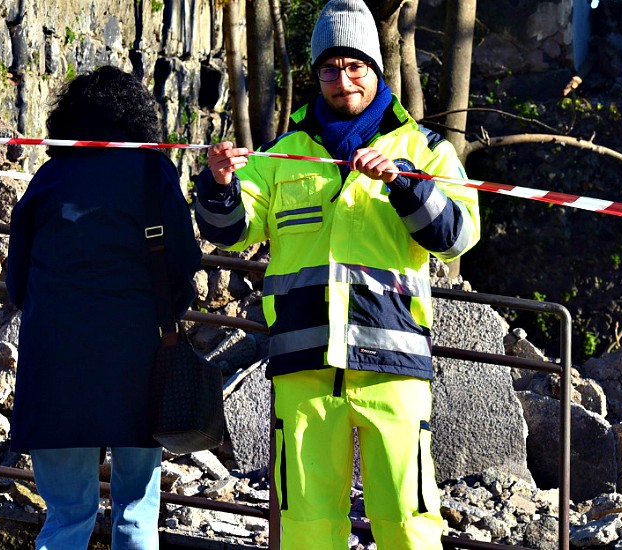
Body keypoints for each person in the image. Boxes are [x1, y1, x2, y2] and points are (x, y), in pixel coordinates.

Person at [195, 0, 483, 546]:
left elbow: (458, 237)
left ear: (375, 68)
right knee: (306, 525)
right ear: (316, 74)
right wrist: (219, 185)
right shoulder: (283, 155)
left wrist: (406, 186)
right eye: (331, 68)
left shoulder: (427, 149)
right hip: (302, 367)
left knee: (407, 520)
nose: (343, 79)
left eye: (355, 66)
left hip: (394, 367)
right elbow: (229, 229)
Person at [4, 65, 201, 549]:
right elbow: (184, 261)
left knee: (67, 515)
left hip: (54, 368)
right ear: (137, 118)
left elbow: (17, 281)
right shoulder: (154, 172)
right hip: (139, 367)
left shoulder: (50, 177)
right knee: (135, 514)